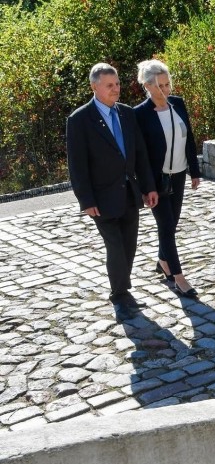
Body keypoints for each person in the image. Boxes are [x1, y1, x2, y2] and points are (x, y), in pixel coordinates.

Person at [66, 63, 158, 319]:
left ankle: (122, 289)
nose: (116, 89)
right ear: (94, 87)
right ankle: (119, 295)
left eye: (117, 84)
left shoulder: (128, 114)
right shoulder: (80, 120)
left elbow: (140, 153)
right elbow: (77, 165)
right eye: (109, 85)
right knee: (115, 246)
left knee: (129, 245)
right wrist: (85, 199)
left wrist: (148, 186)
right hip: (101, 197)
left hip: (129, 192)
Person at [134, 59, 201, 299]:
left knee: (171, 224)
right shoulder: (139, 114)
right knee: (166, 227)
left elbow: (189, 138)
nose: (166, 90)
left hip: (179, 173)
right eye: (160, 85)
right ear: (148, 86)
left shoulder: (177, 104)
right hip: (157, 179)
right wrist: (146, 186)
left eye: (168, 84)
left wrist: (195, 170)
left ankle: (163, 260)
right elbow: (139, 156)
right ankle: (178, 278)